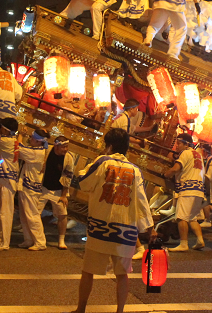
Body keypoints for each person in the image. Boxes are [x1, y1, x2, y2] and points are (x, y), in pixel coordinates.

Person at [70, 128, 153, 313]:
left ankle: (81, 308)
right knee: (122, 274)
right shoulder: (135, 170)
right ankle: (120, 311)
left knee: (88, 271)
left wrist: (93, 162)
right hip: (125, 229)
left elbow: (84, 181)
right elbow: (141, 201)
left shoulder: (102, 162)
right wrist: (149, 228)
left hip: (101, 226)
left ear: (109, 145)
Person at [164, 132, 206, 251]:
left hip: (188, 189)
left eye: (178, 144)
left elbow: (176, 168)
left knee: (181, 217)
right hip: (198, 189)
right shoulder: (198, 155)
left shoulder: (185, 153)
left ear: (186, 144)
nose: (176, 146)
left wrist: (166, 174)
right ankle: (200, 240)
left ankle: (183, 244)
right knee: (192, 218)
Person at [0, 117, 21, 251]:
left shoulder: (6, 141)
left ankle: (5, 242)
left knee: (5, 212)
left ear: (5, 130)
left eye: (1, 127)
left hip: (8, 180)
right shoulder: (12, 140)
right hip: (6, 180)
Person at [39, 136, 75, 249]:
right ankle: (37, 237)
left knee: (62, 215)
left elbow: (67, 178)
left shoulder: (69, 158)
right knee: (35, 213)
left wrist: (64, 195)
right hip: (43, 187)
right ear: (56, 146)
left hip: (58, 190)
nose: (65, 149)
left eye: (66, 146)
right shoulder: (47, 150)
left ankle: (61, 240)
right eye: (63, 147)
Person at [17, 129, 48, 251]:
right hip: (27, 186)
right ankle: (29, 239)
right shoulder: (38, 150)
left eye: (32, 138)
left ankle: (40, 242)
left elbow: (19, 149)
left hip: (31, 187)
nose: (30, 139)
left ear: (38, 141)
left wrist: (20, 135)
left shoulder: (36, 152)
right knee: (25, 215)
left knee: (32, 215)